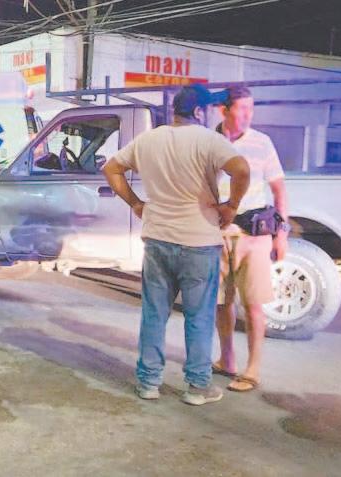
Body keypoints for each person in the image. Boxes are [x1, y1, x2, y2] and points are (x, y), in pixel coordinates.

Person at [102, 84, 250, 406]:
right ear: (198, 111)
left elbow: (111, 168)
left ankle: (148, 383)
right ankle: (197, 387)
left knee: (154, 315)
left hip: (158, 239)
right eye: (207, 110)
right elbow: (241, 170)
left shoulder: (148, 140)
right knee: (199, 317)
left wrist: (136, 203)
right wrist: (231, 206)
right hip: (199, 241)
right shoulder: (208, 140)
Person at [213, 86, 290, 392]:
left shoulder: (262, 142)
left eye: (251, 108)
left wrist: (281, 234)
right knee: (221, 302)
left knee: (253, 304)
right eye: (242, 108)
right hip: (217, 232)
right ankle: (227, 359)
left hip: (253, 235)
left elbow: (279, 190)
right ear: (224, 110)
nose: (248, 115)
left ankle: (253, 368)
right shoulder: (209, 141)